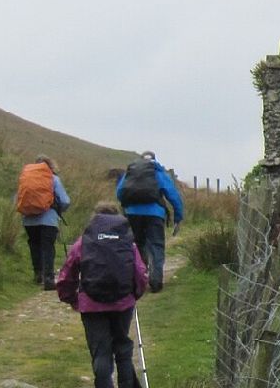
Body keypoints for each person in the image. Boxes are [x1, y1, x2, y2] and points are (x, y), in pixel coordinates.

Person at [57, 201, 149, 388]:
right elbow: (140, 272)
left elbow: (67, 273)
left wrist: (71, 298)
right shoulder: (127, 242)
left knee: (100, 351)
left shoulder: (84, 241)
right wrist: (134, 295)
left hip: (91, 305)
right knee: (123, 348)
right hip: (123, 303)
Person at [115, 151, 183, 293]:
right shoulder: (158, 172)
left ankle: (137, 280)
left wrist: (128, 206)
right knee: (156, 246)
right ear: (154, 160)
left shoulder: (131, 172)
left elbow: (120, 192)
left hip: (132, 214)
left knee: (135, 245)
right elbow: (173, 195)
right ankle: (156, 280)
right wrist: (178, 217)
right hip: (155, 214)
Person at [17, 155, 72, 290]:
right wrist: (58, 209)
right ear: (50, 166)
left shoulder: (26, 178)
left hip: (29, 219)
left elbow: (18, 198)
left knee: (34, 245)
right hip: (48, 219)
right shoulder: (53, 178)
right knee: (47, 247)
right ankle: (48, 279)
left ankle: (38, 275)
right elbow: (65, 201)